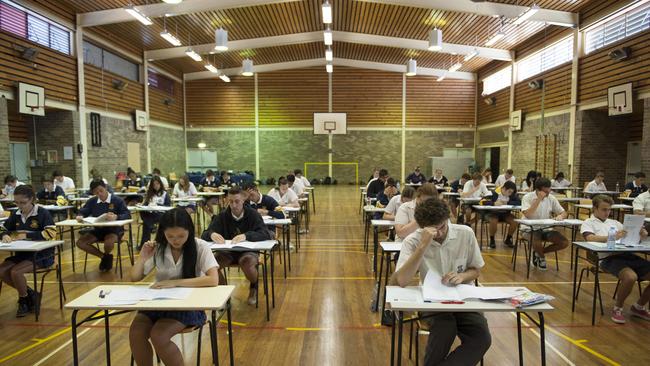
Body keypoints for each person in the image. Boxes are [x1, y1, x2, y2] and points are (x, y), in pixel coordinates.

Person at [391, 198, 490, 365]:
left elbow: (476, 270)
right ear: (422, 227)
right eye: (433, 230)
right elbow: (400, 281)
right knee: (445, 327)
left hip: (463, 300)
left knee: (481, 338)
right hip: (431, 302)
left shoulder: (465, 233)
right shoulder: (413, 240)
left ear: (448, 218)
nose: (440, 232)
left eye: (442, 226)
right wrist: (422, 246)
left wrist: (462, 277)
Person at [129, 208, 219, 366]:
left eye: (181, 236)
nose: (175, 240)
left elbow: (213, 279)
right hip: (158, 303)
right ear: (163, 232)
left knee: (159, 335)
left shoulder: (200, 246)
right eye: (170, 236)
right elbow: (135, 277)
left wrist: (175, 282)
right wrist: (142, 258)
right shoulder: (158, 247)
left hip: (188, 305)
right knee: (136, 333)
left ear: (189, 232)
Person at [580, 195, 649, 324]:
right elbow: (590, 238)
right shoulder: (588, 222)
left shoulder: (615, 223)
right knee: (630, 277)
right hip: (607, 258)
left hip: (626, 254)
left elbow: (629, 235)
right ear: (595, 208)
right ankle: (618, 308)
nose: (607, 212)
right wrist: (612, 237)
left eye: (609, 210)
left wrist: (641, 234)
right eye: (604, 209)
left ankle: (639, 306)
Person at [201, 187, 271, 305]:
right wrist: (212, 234)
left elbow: (265, 233)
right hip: (228, 252)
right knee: (211, 266)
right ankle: (224, 292)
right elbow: (205, 234)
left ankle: (253, 286)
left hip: (248, 251)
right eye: (231, 201)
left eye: (237, 201)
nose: (234, 205)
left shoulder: (253, 215)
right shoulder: (222, 216)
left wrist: (246, 236)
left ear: (243, 200)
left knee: (246, 262)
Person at [0, 185, 57, 317]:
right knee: (2, 271)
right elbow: (3, 228)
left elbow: (51, 233)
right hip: (22, 253)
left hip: (42, 254)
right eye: (17, 202)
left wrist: (28, 235)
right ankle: (30, 294)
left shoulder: (42, 213)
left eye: (23, 203)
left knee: (15, 272)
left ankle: (23, 300)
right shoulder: (16, 214)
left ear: (31, 199)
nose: (20, 206)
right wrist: (4, 235)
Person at [75, 180, 131, 272]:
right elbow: (83, 211)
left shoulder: (117, 200)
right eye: (96, 193)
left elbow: (127, 215)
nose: (99, 194)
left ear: (105, 188)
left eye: (101, 190)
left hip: (114, 230)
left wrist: (116, 217)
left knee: (108, 243)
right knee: (80, 243)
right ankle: (104, 257)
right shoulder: (92, 201)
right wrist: (80, 215)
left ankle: (106, 256)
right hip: (98, 230)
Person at [521, 178, 569, 271]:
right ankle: (542, 258)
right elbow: (528, 214)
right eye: (545, 191)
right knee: (536, 240)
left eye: (549, 190)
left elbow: (564, 212)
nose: (548, 193)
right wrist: (538, 199)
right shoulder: (527, 197)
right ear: (538, 190)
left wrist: (561, 216)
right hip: (528, 228)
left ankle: (538, 253)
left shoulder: (551, 198)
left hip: (546, 228)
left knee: (564, 242)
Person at [139, 176, 172, 248]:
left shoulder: (165, 194)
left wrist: (158, 205)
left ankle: (144, 243)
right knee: (142, 212)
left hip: (161, 213)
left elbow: (168, 206)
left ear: (160, 184)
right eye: (154, 185)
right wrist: (141, 205)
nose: (156, 186)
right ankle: (151, 226)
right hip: (150, 213)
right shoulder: (150, 194)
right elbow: (145, 204)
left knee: (146, 223)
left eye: (157, 184)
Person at [485, 181, 520, 248]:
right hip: (493, 213)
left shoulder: (512, 195)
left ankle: (508, 239)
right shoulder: (493, 192)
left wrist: (508, 202)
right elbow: (482, 202)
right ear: (503, 188)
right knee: (493, 221)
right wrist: (493, 203)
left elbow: (519, 202)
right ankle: (492, 240)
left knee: (515, 221)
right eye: (509, 192)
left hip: (505, 214)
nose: (510, 194)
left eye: (511, 192)